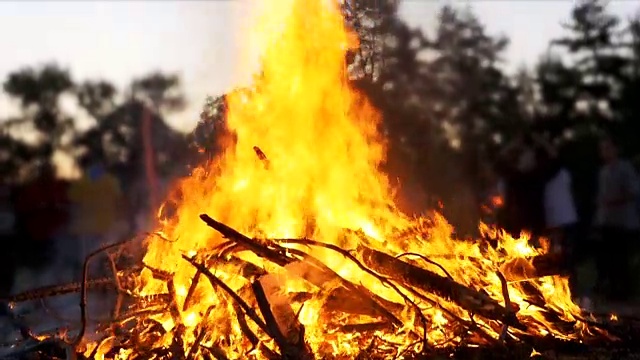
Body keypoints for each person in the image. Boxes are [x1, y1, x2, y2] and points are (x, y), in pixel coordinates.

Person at [593, 137, 640, 301]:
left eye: (607, 148)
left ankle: (625, 292)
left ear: (615, 149)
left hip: (623, 222)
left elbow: (634, 191)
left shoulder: (625, 168)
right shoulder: (603, 171)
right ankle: (612, 291)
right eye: (602, 149)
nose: (604, 152)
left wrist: (614, 201)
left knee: (621, 259)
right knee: (608, 258)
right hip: (607, 222)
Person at [496, 133, 561, 241]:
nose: (527, 160)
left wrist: (541, 142)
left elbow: (556, 159)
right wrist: (514, 144)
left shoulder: (539, 176)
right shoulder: (512, 176)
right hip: (513, 228)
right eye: (523, 157)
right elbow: (499, 159)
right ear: (518, 160)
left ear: (534, 160)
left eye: (530, 157)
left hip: (535, 228)